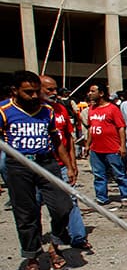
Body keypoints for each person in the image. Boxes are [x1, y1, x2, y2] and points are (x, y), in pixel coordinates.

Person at [0, 70, 77, 270]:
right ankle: (32, 257)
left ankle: (54, 245)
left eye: (36, 92)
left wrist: (69, 166)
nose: (34, 97)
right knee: (26, 215)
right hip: (19, 166)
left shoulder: (47, 111)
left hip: (46, 163)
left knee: (63, 206)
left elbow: (57, 141)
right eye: (28, 93)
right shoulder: (4, 111)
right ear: (15, 91)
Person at [40, 75, 92, 253]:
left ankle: (78, 237)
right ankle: (37, 242)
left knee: (70, 200)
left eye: (55, 89)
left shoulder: (60, 109)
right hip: (37, 166)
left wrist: (72, 164)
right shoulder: (33, 112)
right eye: (50, 90)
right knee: (34, 204)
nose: (54, 93)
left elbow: (68, 139)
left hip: (60, 164)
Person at [84, 81, 127, 206]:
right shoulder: (91, 110)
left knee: (119, 173)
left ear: (101, 93)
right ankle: (101, 197)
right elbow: (91, 128)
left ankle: (125, 195)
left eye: (93, 91)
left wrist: (122, 146)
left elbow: (121, 128)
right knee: (98, 174)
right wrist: (87, 145)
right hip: (96, 149)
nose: (90, 93)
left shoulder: (113, 109)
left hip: (112, 148)